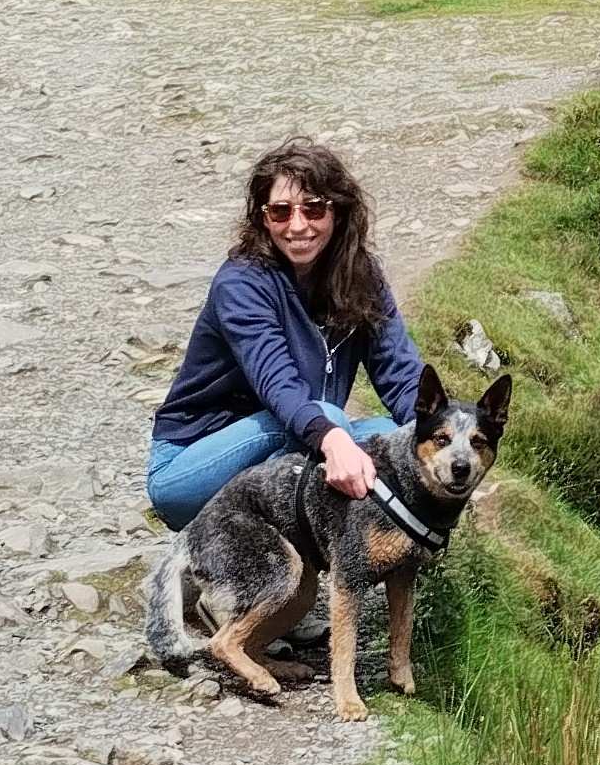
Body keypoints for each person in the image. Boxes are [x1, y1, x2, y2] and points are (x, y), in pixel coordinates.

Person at [146, 137, 425, 536]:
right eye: (280, 211)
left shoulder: (361, 277)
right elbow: (278, 385)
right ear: (263, 218)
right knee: (328, 418)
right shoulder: (241, 283)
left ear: (338, 212)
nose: (297, 226)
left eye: (313, 208)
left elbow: (400, 371)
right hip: (190, 468)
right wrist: (330, 437)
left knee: (395, 441)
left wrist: (439, 436)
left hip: (290, 445)